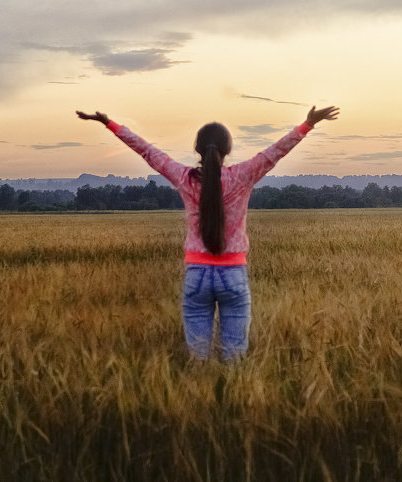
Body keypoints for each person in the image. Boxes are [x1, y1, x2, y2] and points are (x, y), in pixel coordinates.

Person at [76, 105, 340, 360]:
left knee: (197, 360)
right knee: (235, 360)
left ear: (197, 149)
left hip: (197, 276)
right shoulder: (243, 175)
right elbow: (275, 153)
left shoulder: (184, 177)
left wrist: (109, 124)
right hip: (234, 275)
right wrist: (307, 124)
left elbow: (148, 152)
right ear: (228, 150)